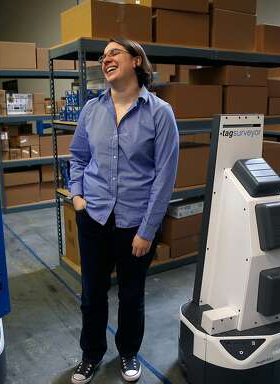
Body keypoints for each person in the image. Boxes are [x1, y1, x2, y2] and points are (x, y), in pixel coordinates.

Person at [68, 37, 179, 383]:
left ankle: (128, 352)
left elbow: (165, 176)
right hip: (94, 216)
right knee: (92, 295)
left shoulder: (160, 113)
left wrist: (148, 230)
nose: (106, 59)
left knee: (132, 295)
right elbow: (78, 157)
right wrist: (77, 196)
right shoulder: (91, 109)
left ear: (135, 61)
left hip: (135, 224)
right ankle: (91, 354)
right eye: (103, 56)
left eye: (114, 53)